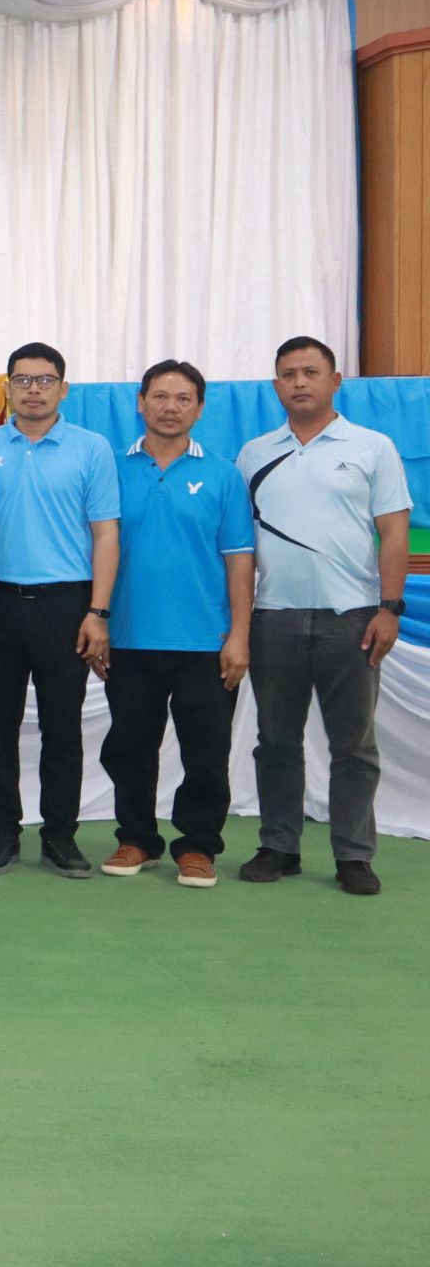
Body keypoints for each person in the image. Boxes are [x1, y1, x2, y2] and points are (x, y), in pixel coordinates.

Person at [235, 336, 411, 896]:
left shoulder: (372, 447)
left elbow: (394, 531)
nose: (300, 382)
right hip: (273, 618)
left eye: (312, 372)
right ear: (275, 386)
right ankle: (279, 846)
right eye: (289, 374)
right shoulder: (254, 453)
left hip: (353, 618)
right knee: (276, 740)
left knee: (353, 745)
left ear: (336, 381)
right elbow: (238, 546)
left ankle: (353, 855)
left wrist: (388, 607)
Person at [96, 362, 254, 890]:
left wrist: (238, 635)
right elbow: (94, 550)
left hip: (205, 641)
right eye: (160, 396)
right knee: (129, 749)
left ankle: (199, 846)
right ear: (140, 402)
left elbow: (239, 559)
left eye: (183, 398)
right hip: (129, 638)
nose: (170, 407)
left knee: (205, 753)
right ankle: (137, 838)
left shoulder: (224, 475)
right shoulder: (110, 468)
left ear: (199, 408)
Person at [0, 343, 118, 878]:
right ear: (8, 387)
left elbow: (105, 535)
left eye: (44, 380)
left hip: (66, 604)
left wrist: (97, 611)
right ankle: (1, 833)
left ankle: (60, 836)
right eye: (23, 380)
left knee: (62, 728)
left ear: (63, 388)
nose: (33, 389)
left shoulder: (91, 448)